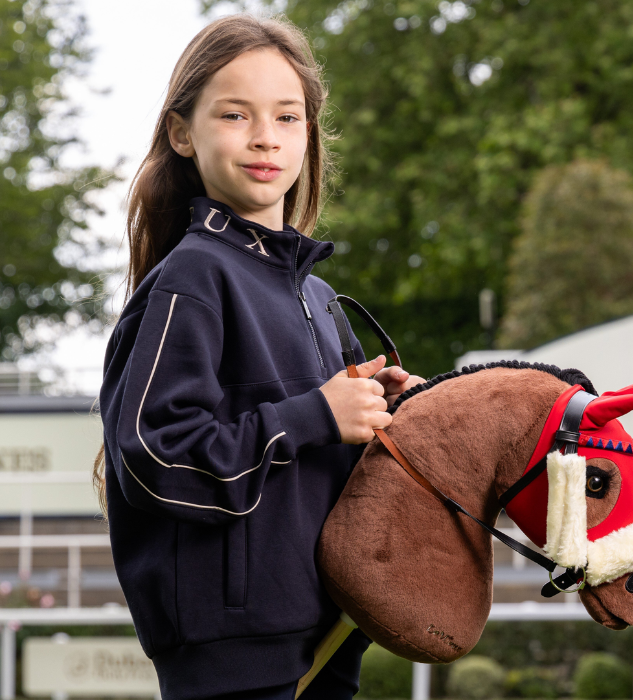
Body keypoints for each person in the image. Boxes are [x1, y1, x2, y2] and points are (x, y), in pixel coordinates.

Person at [94, 13, 425, 700]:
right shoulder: (192, 280)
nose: (265, 137)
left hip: (330, 638)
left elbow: (336, 463)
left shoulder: (322, 298)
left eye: (288, 116)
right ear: (182, 133)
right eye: (236, 114)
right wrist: (313, 416)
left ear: (310, 134)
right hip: (233, 660)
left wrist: (393, 412)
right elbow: (153, 459)